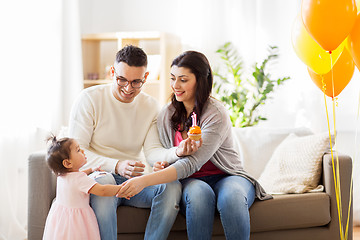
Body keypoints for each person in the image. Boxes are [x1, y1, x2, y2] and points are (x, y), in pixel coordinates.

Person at [117, 51, 272, 240]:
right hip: (190, 181)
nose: (175, 85)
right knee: (199, 195)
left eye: (183, 80)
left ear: (200, 80)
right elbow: (165, 155)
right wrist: (164, 163)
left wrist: (142, 181)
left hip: (227, 176)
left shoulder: (215, 113)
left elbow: (191, 163)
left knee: (231, 198)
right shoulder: (166, 114)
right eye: (173, 78)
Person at [68, 45, 199, 240]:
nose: (128, 88)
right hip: (100, 176)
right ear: (112, 72)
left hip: (134, 181)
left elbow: (153, 151)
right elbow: (77, 153)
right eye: (122, 79)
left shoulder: (151, 106)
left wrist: (177, 152)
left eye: (136, 82)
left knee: (171, 186)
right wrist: (117, 165)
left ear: (145, 78)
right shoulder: (89, 99)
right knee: (105, 179)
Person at [43, 136, 125, 240]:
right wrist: (121, 188)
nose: (82, 150)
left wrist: (91, 169)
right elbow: (102, 190)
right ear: (67, 163)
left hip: (61, 217)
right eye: (78, 150)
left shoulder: (61, 175)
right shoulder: (81, 180)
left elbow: (78, 175)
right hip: (77, 221)